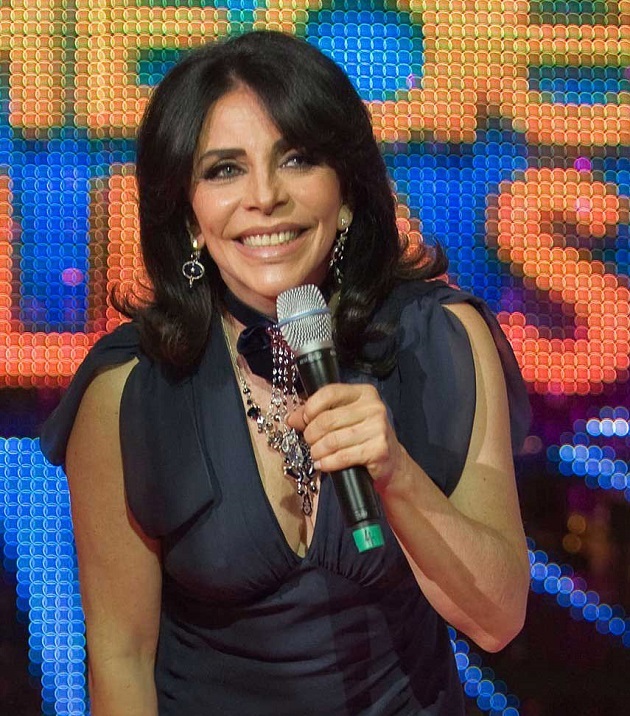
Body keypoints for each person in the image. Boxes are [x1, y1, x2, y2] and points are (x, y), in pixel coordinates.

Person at [40, 30, 531, 716]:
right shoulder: (127, 392)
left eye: (297, 158)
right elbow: (120, 656)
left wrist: (397, 476)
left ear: (347, 192)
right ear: (188, 213)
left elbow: (498, 618)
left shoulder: (440, 340)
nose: (265, 196)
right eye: (224, 170)